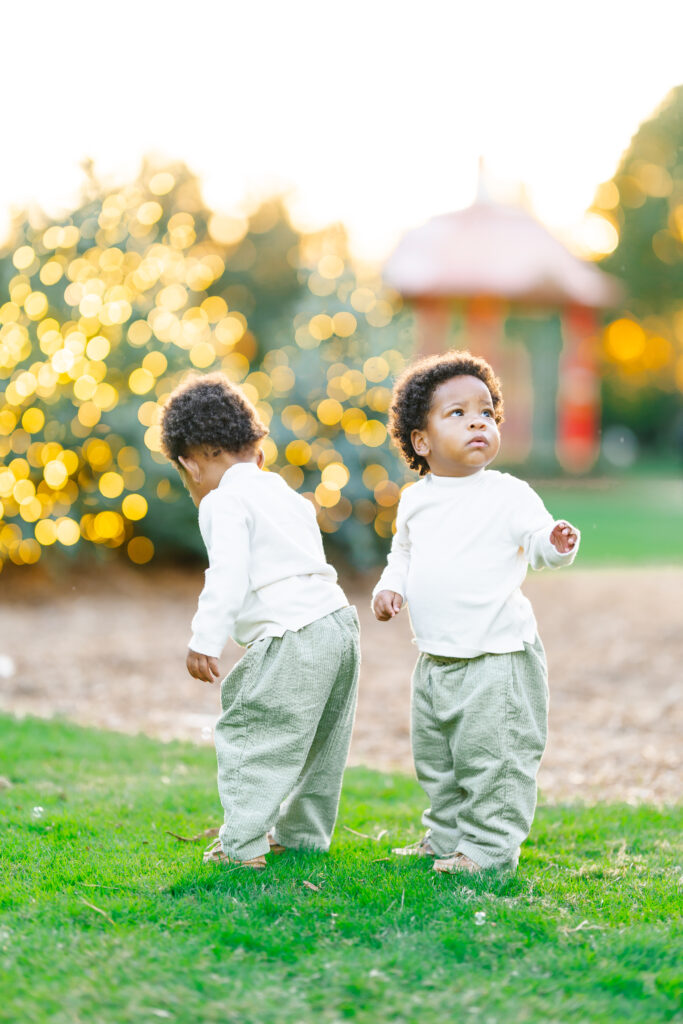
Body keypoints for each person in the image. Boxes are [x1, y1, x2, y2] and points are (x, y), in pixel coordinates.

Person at [372, 351, 579, 875]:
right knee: (439, 762)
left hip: (497, 656)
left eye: (486, 412)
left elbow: (538, 543)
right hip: (436, 657)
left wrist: (555, 543)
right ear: (422, 441)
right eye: (458, 414)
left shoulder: (509, 494)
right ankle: (446, 839)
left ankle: (488, 850)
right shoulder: (416, 501)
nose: (477, 423)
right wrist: (390, 586)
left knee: (495, 760)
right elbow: (405, 554)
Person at [160, 372, 360, 870]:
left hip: (292, 634)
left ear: (192, 461)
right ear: (259, 451)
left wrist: (204, 640)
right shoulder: (288, 497)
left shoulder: (222, 499)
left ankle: (242, 844)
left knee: (253, 732)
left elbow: (227, 574)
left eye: (187, 478)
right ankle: (303, 837)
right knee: (320, 742)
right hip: (338, 625)